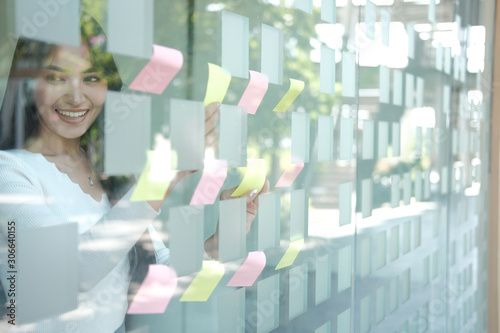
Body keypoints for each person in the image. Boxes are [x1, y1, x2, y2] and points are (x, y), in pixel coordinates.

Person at [0, 15, 268, 332]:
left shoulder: (107, 171)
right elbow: (65, 277)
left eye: (91, 78)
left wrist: (226, 236)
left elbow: (158, 275)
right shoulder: (10, 170)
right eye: (57, 78)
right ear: (28, 85)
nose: (76, 96)